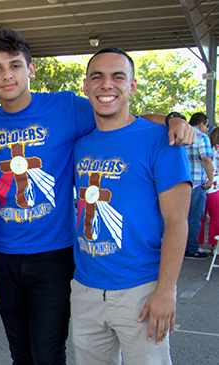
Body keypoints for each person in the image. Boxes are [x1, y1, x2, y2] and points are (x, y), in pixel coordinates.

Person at [0, 29, 196, 365]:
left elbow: (118, 111)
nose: (8, 75)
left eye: (15, 65)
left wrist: (172, 118)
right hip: (21, 260)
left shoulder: (67, 108)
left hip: (63, 257)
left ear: (31, 69)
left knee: (48, 353)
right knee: (22, 353)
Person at [72, 46, 190, 364]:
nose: (106, 85)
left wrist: (166, 290)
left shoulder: (161, 141)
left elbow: (177, 221)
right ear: (86, 86)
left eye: (118, 77)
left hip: (142, 288)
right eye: (97, 77)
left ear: (132, 86)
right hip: (86, 288)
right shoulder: (79, 142)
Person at [184, 112, 213, 259]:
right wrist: (210, 178)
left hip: (179, 183)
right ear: (201, 124)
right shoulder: (202, 137)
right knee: (195, 218)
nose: (207, 129)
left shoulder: (180, 134)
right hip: (196, 183)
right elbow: (206, 160)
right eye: (207, 126)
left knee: (176, 217)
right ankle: (191, 249)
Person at [201, 127, 219, 253]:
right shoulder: (218, 149)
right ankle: (215, 244)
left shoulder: (208, 148)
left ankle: (200, 244)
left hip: (202, 186)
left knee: (200, 218)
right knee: (216, 217)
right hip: (215, 187)